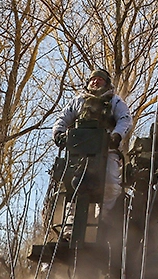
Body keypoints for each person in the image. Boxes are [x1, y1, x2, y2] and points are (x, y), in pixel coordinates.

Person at [53, 68, 133, 214]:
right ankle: (70, 221)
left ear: (106, 83)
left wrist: (116, 136)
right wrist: (59, 133)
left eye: (100, 79)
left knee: (111, 184)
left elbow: (125, 119)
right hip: (78, 152)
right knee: (70, 185)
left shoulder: (115, 101)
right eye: (93, 79)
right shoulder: (78, 101)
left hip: (107, 150)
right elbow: (63, 118)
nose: (95, 81)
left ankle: (104, 217)